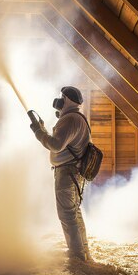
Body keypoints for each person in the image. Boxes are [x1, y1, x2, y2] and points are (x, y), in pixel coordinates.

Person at [30, 86, 91, 261]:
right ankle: (83, 251)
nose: (58, 101)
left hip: (66, 173)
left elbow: (56, 145)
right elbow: (62, 143)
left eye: (61, 97)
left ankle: (77, 254)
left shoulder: (70, 119)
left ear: (66, 101)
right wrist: (43, 131)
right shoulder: (77, 118)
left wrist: (38, 132)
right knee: (74, 213)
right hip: (75, 172)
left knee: (67, 215)